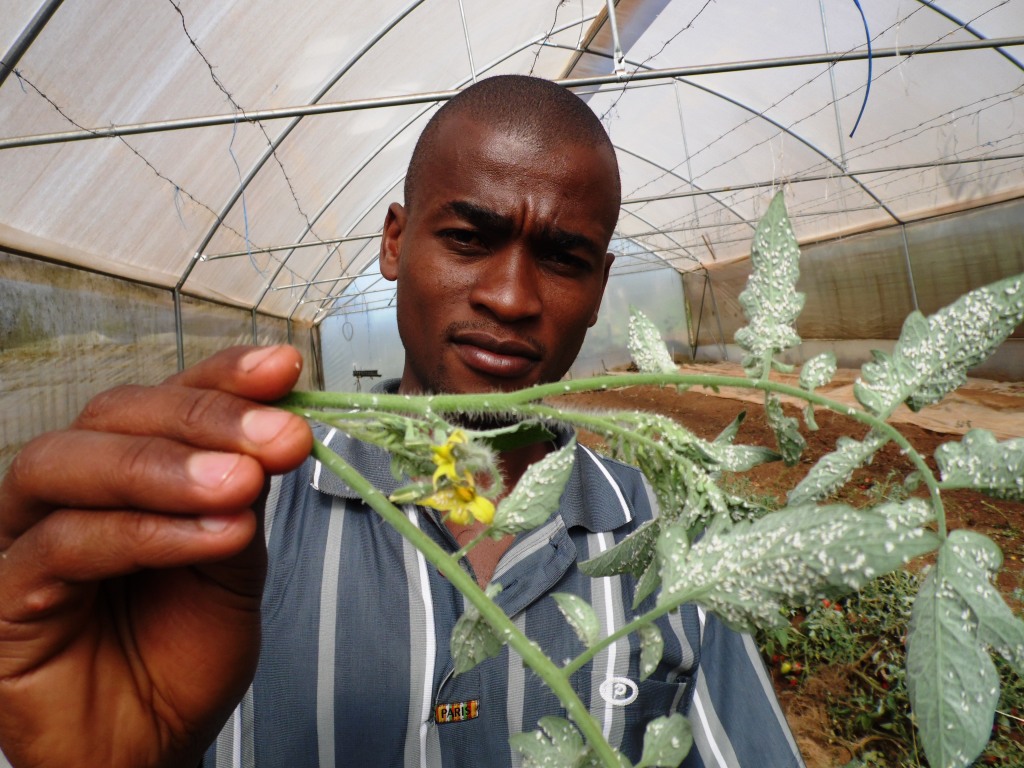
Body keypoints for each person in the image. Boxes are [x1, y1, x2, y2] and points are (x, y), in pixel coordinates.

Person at [0, 75, 803, 768]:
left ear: (599, 287)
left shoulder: (674, 544)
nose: (512, 298)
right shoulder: (233, 518)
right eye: (467, 239)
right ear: (395, 241)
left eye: (562, 259)